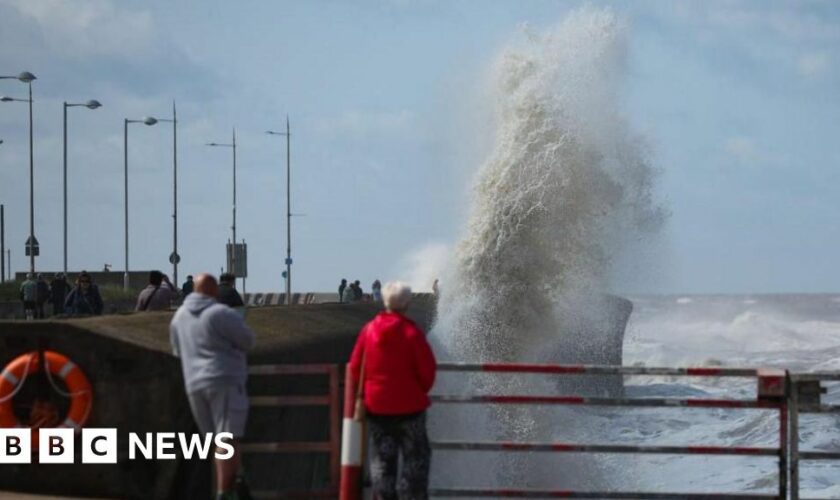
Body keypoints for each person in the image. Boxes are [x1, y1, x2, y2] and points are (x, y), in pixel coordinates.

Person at [169, 273, 255, 500]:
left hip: (194, 384)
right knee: (227, 437)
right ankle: (225, 492)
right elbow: (247, 341)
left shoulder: (179, 317)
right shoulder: (221, 314)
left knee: (213, 440)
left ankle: (233, 481)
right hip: (223, 379)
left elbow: (177, 351)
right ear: (214, 290)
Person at [348, 281, 436, 500]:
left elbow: (356, 367)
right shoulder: (412, 333)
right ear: (406, 304)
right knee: (415, 461)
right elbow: (427, 372)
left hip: (378, 410)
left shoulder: (369, 331)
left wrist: (370, 391)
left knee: (382, 463)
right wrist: (418, 390)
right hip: (410, 410)